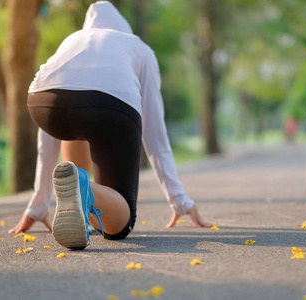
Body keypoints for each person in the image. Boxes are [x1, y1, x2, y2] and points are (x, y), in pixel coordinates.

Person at [12, 1, 209, 250]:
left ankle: (79, 199)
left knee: (71, 122)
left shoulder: (73, 40)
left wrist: (39, 202)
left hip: (42, 103)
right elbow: (154, 135)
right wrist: (179, 199)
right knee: (119, 224)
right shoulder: (138, 48)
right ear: (123, 29)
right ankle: (84, 190)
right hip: (107, 107)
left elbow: (49, 134)